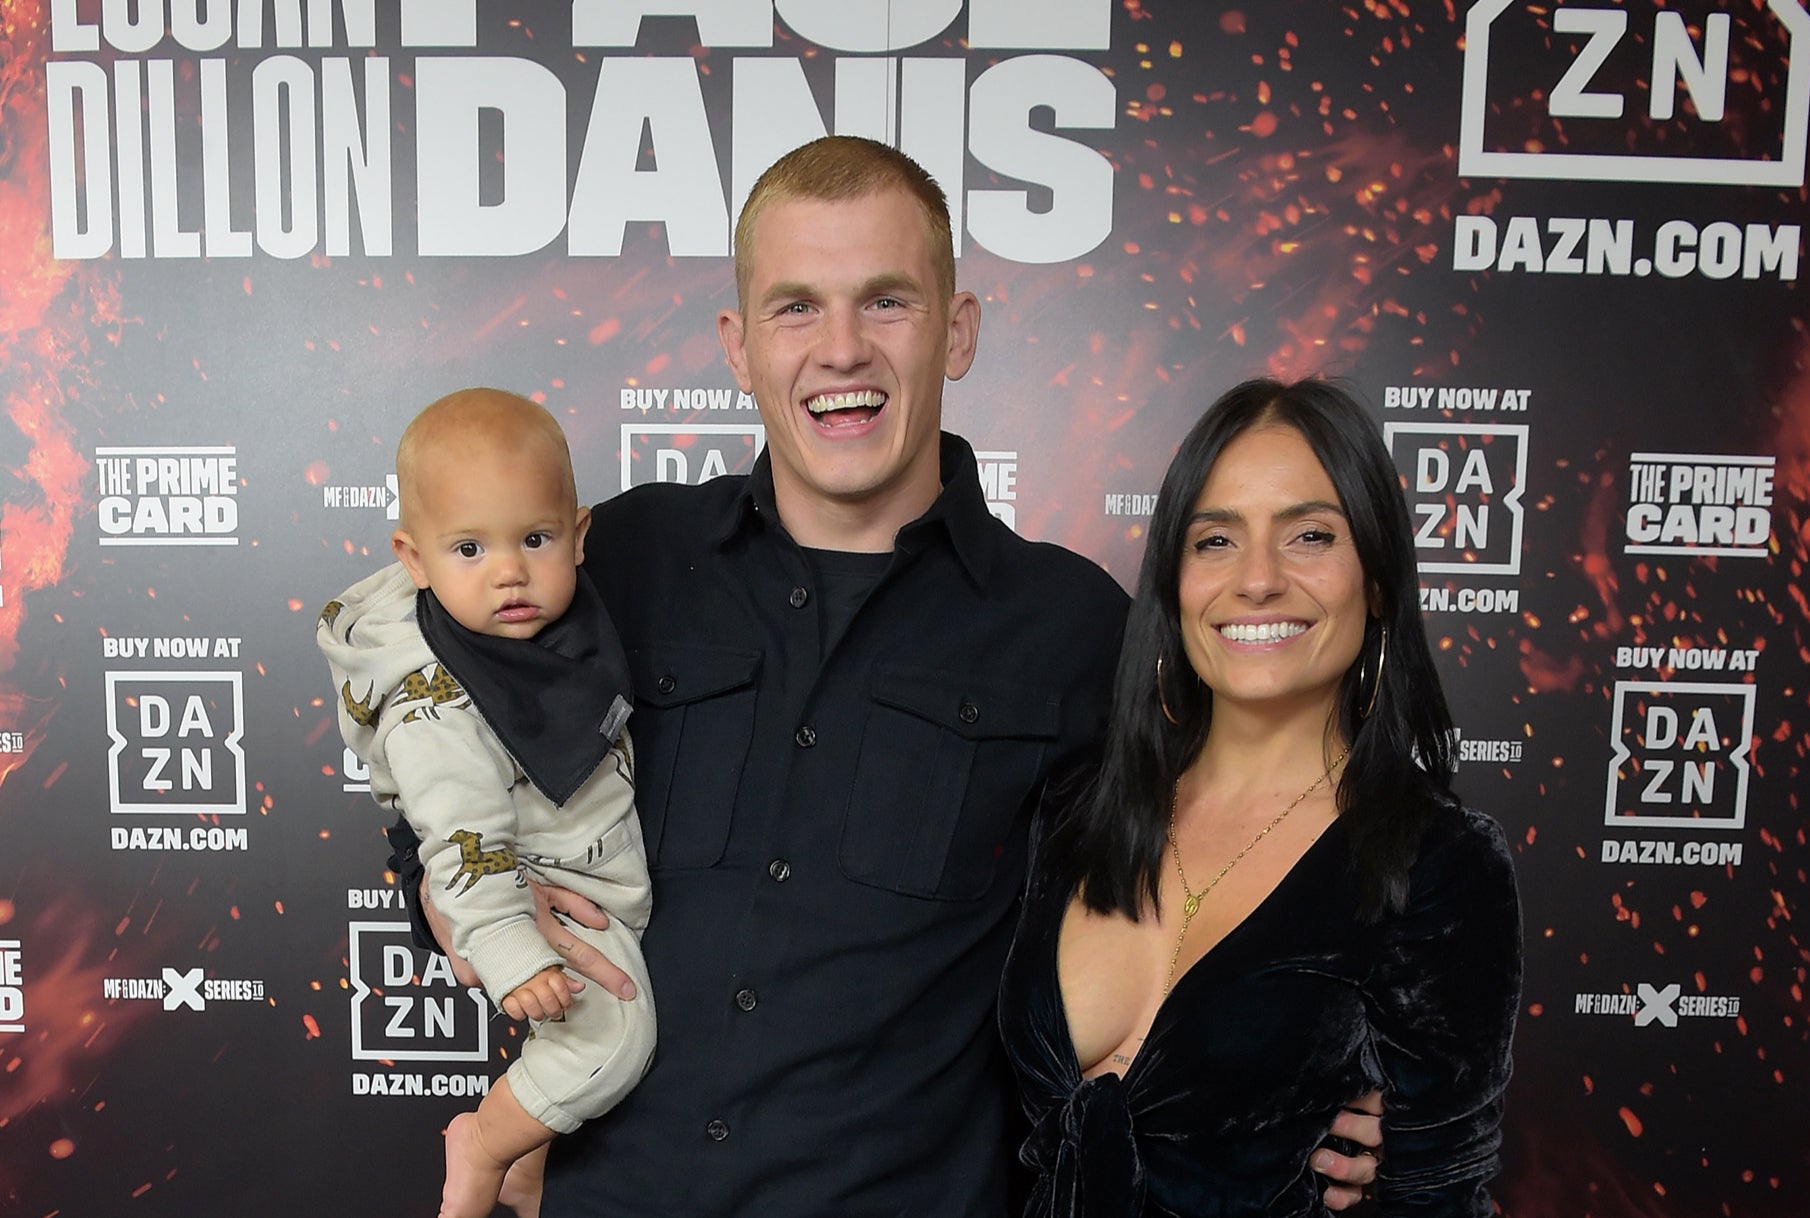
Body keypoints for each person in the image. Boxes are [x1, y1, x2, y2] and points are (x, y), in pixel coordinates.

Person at [391, 137, 1384, 1216]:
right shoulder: (612, 564)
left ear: (956, 332)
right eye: (795, 308)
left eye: (887, 302)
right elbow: (437, 761)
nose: (841, 349)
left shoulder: (1074, 629)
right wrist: (456, 900)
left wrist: (1321, 1075)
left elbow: (1223, 870)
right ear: (737, 345)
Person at [998, 377, 1524, 1215]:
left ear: (1378, 581)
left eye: (1310, 535)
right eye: (1215, 541)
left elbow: (1440, 1196)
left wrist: (1405, 1167)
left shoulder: (1441, 864)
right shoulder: (1075, 809)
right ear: (1175, 582)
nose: (1257, 580)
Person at [321, 389, 657, 1218]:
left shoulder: (554, 629)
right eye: (468, 547)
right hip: (534, 885)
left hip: (596, 869)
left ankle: (531, 1159)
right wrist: (508, 944)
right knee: (613, 1041)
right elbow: (459, 834)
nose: (509, 571)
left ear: (579, 536)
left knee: (570, 1038)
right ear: (413, 558)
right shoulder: (438, 699)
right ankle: (485, 1145)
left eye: (535, 540)